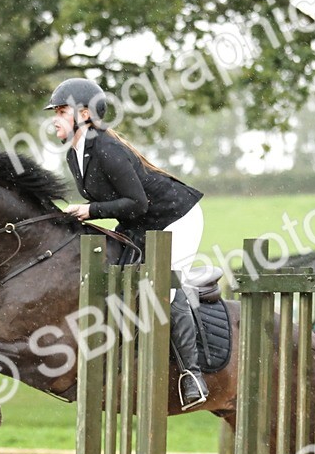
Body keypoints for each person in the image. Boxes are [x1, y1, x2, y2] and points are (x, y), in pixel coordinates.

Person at [45, 77, 209, 408]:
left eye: (62, 111)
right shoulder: (75, 156)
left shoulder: (106, 150)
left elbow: (137, 202)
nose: (55, 119)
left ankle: (193, 376)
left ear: (85, 115)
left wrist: (89, 210)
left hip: (178, 218)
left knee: (166, 286)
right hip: (141, 224)